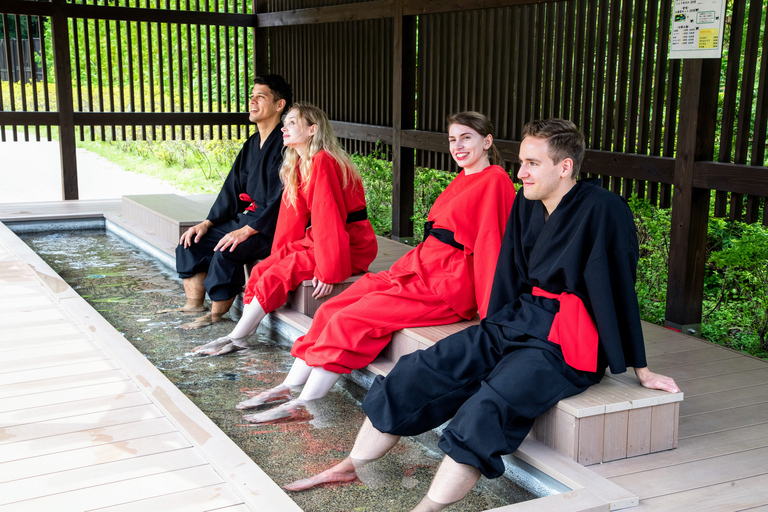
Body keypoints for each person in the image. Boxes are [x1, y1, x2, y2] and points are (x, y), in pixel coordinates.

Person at [283, 118, 680, 512]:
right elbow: (508, 272)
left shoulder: (604, 209)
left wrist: (639, 367)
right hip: (518, 319)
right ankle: (352, 465)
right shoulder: (528, 202)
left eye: (532, 163)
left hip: (566, 337)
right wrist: (490, 328)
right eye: (521, 162)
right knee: (418, 370)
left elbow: (618, 287)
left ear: (564, 167)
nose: (520, 172)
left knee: (485, 409)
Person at [236, 111, 517, 425]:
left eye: (467, 138)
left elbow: (493, 245)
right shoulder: (464, 177)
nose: (458, 146)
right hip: (419, 266)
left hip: (446, 283)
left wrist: (492, 315)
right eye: (453, 139)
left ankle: (305, 402)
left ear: (487, 141)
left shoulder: (495, 181)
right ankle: (289, 386)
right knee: (332, 308)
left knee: (352, 319)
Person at [193, 102, 378, 355]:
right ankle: (245, 333)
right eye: (285, 123)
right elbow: (291, 221)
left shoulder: (323, 160)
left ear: (313, 129)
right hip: (321, 238)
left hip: (349, 242)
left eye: (292, 122)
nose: (284, 128)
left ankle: (236, 337)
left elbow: (328, 217)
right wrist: (280, 254)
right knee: (262, 268)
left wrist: (328, 270)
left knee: (276, 274)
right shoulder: (299, 163)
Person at [162, 74, 293, 330]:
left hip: (271, 226)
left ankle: (215, 318)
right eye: (251, 96)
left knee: (227, 249)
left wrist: (247, 229)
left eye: (261, 96)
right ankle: (193, 305)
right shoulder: (252, 143)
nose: (252, 101)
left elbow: (285, 199)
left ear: (279, 105)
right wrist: (207, 222)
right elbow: (231, 190)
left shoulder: (287, 145)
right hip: (248, 219)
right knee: (191, 241)